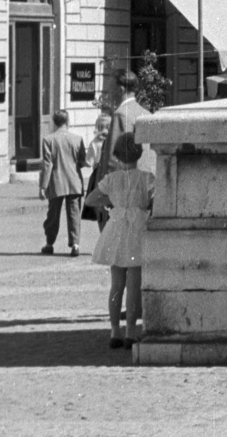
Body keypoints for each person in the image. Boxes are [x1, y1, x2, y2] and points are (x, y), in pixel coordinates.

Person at [89, 132, 154, 350]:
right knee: (134, 284)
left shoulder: (112, 179)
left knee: (116, 285)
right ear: (139, 153)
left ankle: (114, 331)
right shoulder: (146, 178)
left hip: (116, 228)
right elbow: (156, 199)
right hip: (137, 228)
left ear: (116, 156)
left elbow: (91, 199)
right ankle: (130, 332)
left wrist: (114, 201)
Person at [39, 108, 88, 257]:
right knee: (74, 214)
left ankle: (49, 243)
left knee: (53, 214)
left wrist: (43, 186)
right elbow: (81, 161)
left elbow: (47, 165)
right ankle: (75, 244)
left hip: (56, 182)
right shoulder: (77, 139)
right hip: (74, 182)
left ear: (54, 122)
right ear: (68, 122)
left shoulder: (48, 140)